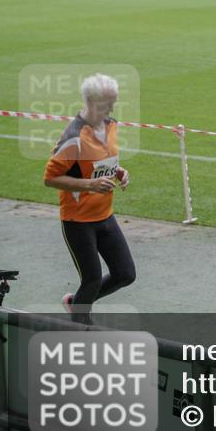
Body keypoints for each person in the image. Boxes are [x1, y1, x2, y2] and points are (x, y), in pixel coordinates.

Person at [44, 73, 135, 324]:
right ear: (92, 103)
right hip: (78, 221)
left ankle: (75, 303)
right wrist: (89, 185)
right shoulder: (73, 137)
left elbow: (100, 161)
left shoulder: (111, 125)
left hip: (105, 216)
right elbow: (50, 178)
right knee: (92, 279)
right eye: (108, 103)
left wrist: (118, 171)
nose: (112, 108)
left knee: (125, 274)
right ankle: (80, 329)